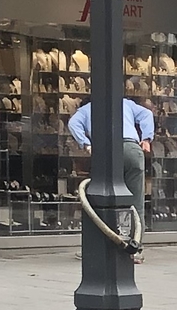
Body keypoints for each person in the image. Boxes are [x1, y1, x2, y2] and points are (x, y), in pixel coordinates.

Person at [67, 92, 157, 239]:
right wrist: (146, 138)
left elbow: (73, 123)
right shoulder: (125, 103)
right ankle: (135, 247)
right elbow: (147, 113)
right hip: (131, 149)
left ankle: (106, 241)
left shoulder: (88, 108)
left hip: (105, 151)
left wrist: (86, 144)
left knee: (102, 198)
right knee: (136, 202)